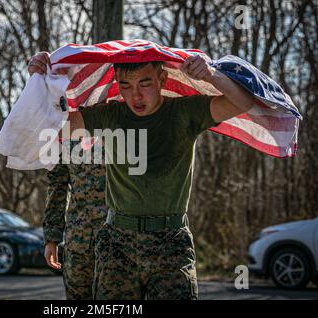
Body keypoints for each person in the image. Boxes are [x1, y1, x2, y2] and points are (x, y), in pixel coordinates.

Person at [28, 52, 253, 299]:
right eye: (125, 85)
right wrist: (40, 82)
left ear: (162, 79)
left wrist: (212, 75)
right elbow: (52, 127)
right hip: (117, 245)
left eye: (144, 83)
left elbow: (243, 103)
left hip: (170, 244)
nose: (135, 95)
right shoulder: (109, 115)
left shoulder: (185, 112)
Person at [28, 54, 108, 300]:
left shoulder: (119, 122)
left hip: (117, 241)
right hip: (78, 241)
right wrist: (52, 237)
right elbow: (58, 185)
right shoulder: (65, 132)